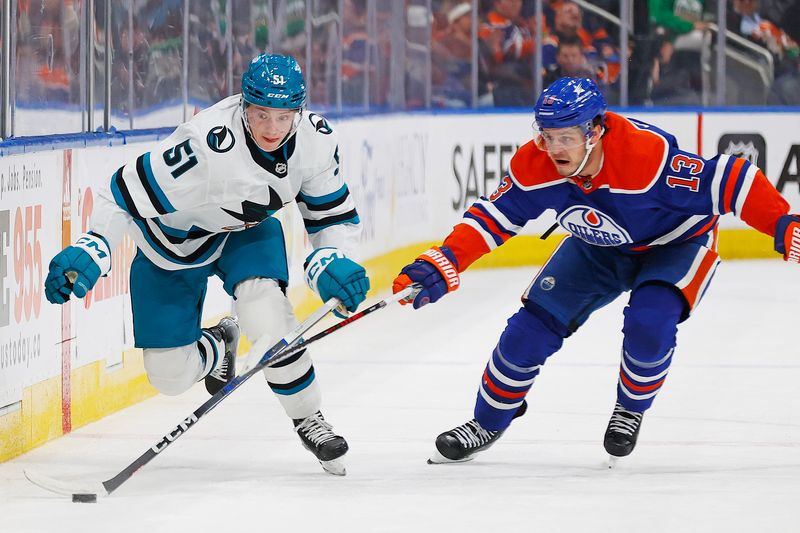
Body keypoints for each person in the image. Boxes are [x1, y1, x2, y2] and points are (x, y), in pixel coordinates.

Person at [393, 77, 799, 464]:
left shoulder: (646, 157)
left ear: (595, 132)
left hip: (676, 244)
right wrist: (442, 261)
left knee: (650, 322)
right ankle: (487, 422)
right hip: (598, 246)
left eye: (566, 136)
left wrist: (784, 226)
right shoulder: (536, 164)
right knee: (526, 333)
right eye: (547, 136)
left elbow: (733, 179)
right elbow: (493, 218)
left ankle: (630, 408)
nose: (554, 148)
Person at [43, 53, 370, 476]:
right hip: (172, 245)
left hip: (244, 233)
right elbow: (121, 194)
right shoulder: (203, 147)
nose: (272, 128)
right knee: (169, 376)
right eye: (261, 114)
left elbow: (332, 217)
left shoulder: (316, 140)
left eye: (283, 117)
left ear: (299, 111)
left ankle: (308, 416)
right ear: (244, 105)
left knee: (264, 308)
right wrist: (94, 247)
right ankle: (219, 346)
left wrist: (331, 259)